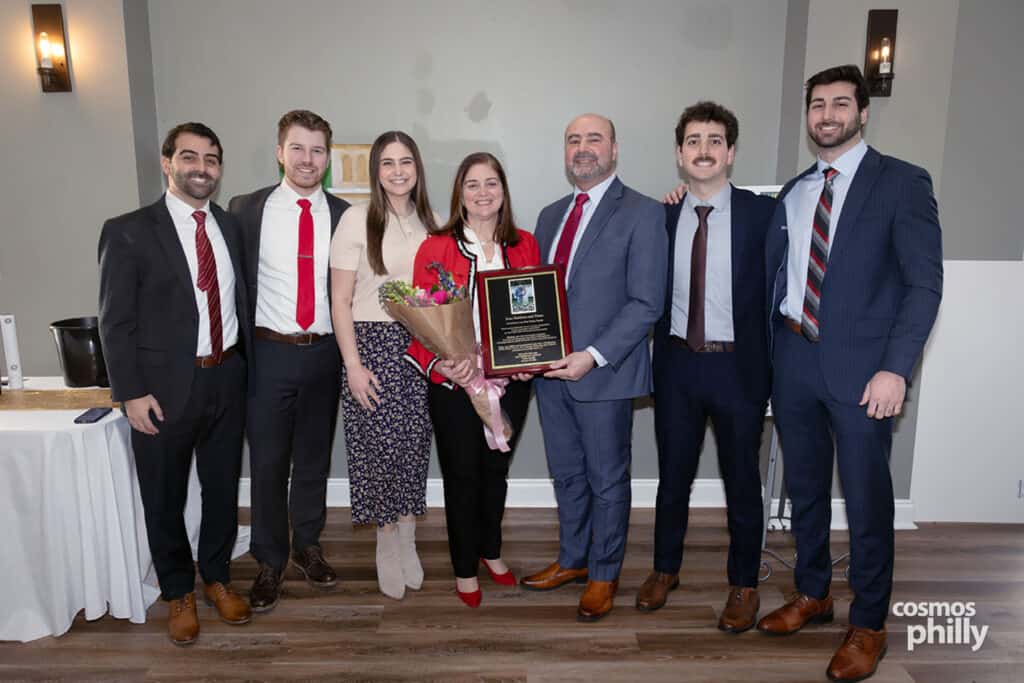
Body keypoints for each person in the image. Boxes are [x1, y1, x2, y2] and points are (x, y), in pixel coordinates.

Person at [759, 65, 942, 682]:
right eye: (817, 104)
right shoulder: (795, 190)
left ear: (863, 112)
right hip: (794, 360)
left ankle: (869, 623)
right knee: (804, 489)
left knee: (866, 500)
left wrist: (896, 369)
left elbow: (923, 285)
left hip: (866, 373)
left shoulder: (902, 182)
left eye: (840, 103)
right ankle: (812, 592)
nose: (827, 115)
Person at [98, 122, 252, 645]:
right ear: (168, 163)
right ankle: (177, 590)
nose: (201, 168)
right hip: (160, 392)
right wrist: (130, 392)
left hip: (227, 377)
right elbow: (115, 321)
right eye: (190, 157)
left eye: (211, 159)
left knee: (222, 488)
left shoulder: (230, 227)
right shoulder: (128, 231)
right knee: (162, 495)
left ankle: (217, 578)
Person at [521, 114, 668, 621]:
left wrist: (593, 355)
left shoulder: (643, 213)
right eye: (573, 140)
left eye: (594, 139)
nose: (582, 148)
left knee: (607, 481)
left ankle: (604, 574)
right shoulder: (550, 215)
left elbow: (646, 302)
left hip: (604, 372)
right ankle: (573, 560)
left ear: (614, 149)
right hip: (550, 373)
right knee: (566, 474)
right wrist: (524, 350)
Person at [637, 102, 776, 634]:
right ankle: (664, 569)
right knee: (673, 477)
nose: (704, 150)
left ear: (731, 152)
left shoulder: (763, 214)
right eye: (693, 141)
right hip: (676, 365)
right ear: (679, 154)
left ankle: (744, 584)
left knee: (742, 480)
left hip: (738, 368)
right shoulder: (661, 216)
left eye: (715, 140)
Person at [228, 110, 350, 612]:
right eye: (297, 148)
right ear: (280, 152)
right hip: (268, 353)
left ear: (327, 158)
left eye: (317, 150)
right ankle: (270, 558)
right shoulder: (245, 210)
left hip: (324, 353)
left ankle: (308, 546)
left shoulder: (345, 216)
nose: (307, 159)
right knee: (268, 462)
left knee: (314, 460)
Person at [406, 152, 540, 608]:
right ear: (460, 194)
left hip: (510, 381)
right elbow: (419, 320)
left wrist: (530, 358)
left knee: (496, 470)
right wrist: (442, 364)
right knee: (462, 474)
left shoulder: (525, 244)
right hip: (454, 383)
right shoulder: (436, 247)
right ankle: (465, 567)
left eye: (491, 183)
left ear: (504, 190)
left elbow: (534, 314)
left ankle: (490, 550)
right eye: (473, 185)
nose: (483, 193)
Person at [328, 131, 437, 600]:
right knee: (377, 451)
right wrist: (352, 364)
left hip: (421, 347)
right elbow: (340, 300)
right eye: (387, 162)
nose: (397, 171)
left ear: (417, 168)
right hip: (370, 345)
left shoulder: (432, 223)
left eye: (405, 161)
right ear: (376, 170)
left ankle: (408, 537)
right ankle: (386, 541)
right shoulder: (356, 219)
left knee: (413, 447)